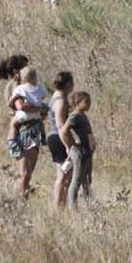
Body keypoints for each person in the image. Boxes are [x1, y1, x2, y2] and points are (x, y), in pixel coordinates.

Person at [7, 65, 48, 199]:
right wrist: (39, 107)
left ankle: (13, 141)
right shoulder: (36, 88)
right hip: (28, 129)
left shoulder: (20, 89)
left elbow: (12, 103)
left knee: (27, 172)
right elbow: (22, 106)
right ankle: (20, 200)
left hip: (29, 123)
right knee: (25, 173)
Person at [61, 91, 97, 205]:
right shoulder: (74, 116)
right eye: (86, 102)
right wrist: (74, 144)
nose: (89, 104)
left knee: (87, 179)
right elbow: (64, 132)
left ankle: (89, 204)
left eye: (89, 102)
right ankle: (73, 208)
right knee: (76, 181)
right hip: (79, 152)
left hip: (87, 151)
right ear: (77, 102)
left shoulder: (82, 115)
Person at [46, 71, 75, 208]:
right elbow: (60, 126)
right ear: (68, 84)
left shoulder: (56, 98)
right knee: (62, 175)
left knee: (66, 175)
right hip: (59, 139)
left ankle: (63, 205)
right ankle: (59, 208)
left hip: (57, 138)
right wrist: (69, 147)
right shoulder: (61, 102)